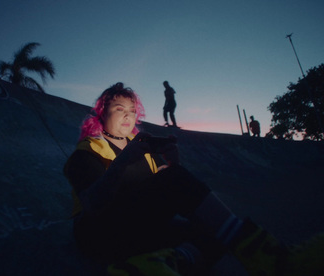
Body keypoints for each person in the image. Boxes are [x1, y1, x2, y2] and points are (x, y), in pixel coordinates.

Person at [64, 82, 323, 276]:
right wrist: (123, 161)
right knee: (177, 185)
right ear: (101, 113)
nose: (128, 116)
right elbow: (93, 205)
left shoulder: (141, 149)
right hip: (98, 232)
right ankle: (272, 259)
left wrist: (174, 164)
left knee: (215, 231)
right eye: (119, 109)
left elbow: (158, 199)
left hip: (135, 231)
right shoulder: (87, 151)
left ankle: (149, 266)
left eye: (132, 111)